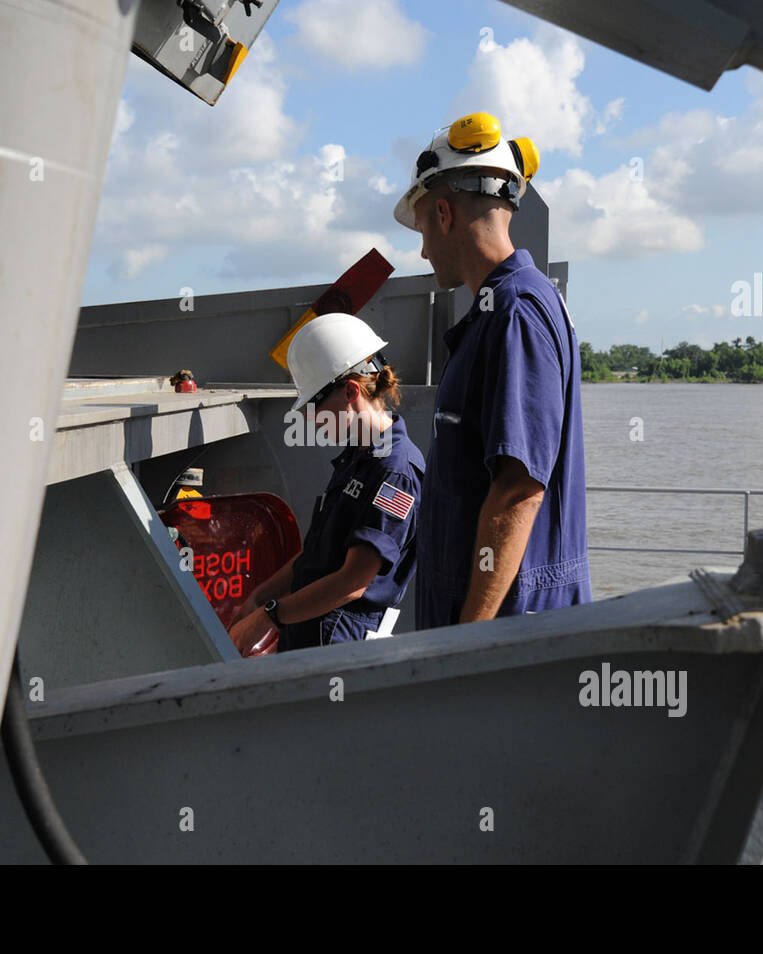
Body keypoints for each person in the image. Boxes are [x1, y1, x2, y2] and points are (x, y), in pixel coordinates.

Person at [392, 112, 590, 627]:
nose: (422, 249)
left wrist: (464, 645)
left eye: (421, 230)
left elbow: (519, 488)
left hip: (505, 639)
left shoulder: (516, 313)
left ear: (443, 213)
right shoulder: (501, 311)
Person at [229, 313, 425, 654]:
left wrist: (269, 617)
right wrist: (259, 599)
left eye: (314, 404)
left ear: (350, 391)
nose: (308, 417)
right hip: (313, 638)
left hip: (339, 648)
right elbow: (319, 555)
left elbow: (353, 581)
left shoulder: (395, 472)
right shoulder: (358, 458)